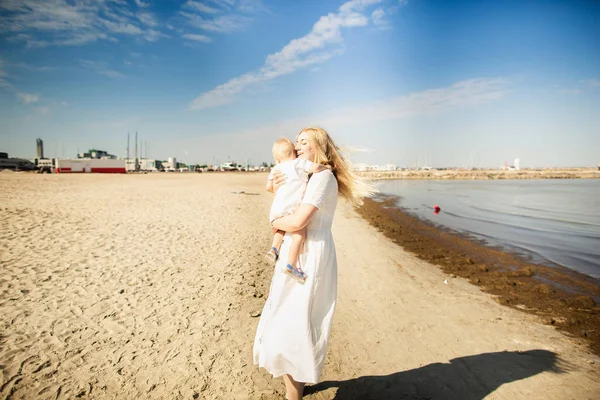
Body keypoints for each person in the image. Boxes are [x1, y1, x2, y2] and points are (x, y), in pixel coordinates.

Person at [253, 127, 375, 400]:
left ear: (318, 148)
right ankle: (294, 387)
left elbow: (297, 222)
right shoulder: (307, 175)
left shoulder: (323, 179)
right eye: (296, 142)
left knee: (295, 320)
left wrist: (273, 223)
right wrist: (275, 185)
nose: (297, 146)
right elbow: (283, 197)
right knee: (287, 316)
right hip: (297, 250)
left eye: (304, 142)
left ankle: (293, 394)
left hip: (311, 255)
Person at [265, 137, 328, 283]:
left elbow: (268, 187)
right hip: (292, 208)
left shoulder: (276, 168)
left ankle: (274, 248)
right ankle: (291, 265)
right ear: (293, 152)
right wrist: (325, 168)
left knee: (280, 229)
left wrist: (276, 187)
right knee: (299, 236)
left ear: (277, 158)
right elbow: (315, 168)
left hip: (276, 208)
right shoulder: (298, 163)